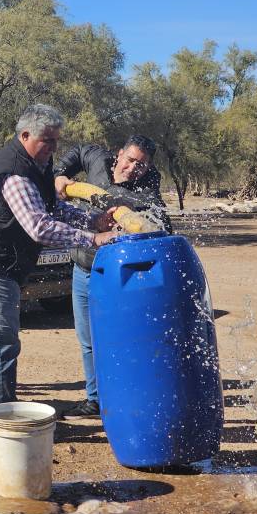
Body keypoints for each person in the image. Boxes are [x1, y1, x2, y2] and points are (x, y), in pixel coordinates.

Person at [0, 104, 119, 432]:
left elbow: (52, 208)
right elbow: (39, 226)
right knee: (1, 348)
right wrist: (93, 239)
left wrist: (91, 219)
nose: (53, 148)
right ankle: (9, 430)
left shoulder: (36, 164)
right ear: (24, 135)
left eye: (55, 141)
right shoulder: (14, 171)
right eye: (46, 140)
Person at [54, 135, 172, 420]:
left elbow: (161, 225)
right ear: (119, 154)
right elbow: (78, 151)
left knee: (120, 338)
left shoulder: (146, 189)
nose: (134, 169)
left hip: (115, 276)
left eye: (141, 165)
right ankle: (95, 400)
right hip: (81, 269)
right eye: (130, 160)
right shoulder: (97, 158)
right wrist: (60, 175)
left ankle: (125, 397)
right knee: (87, 339)